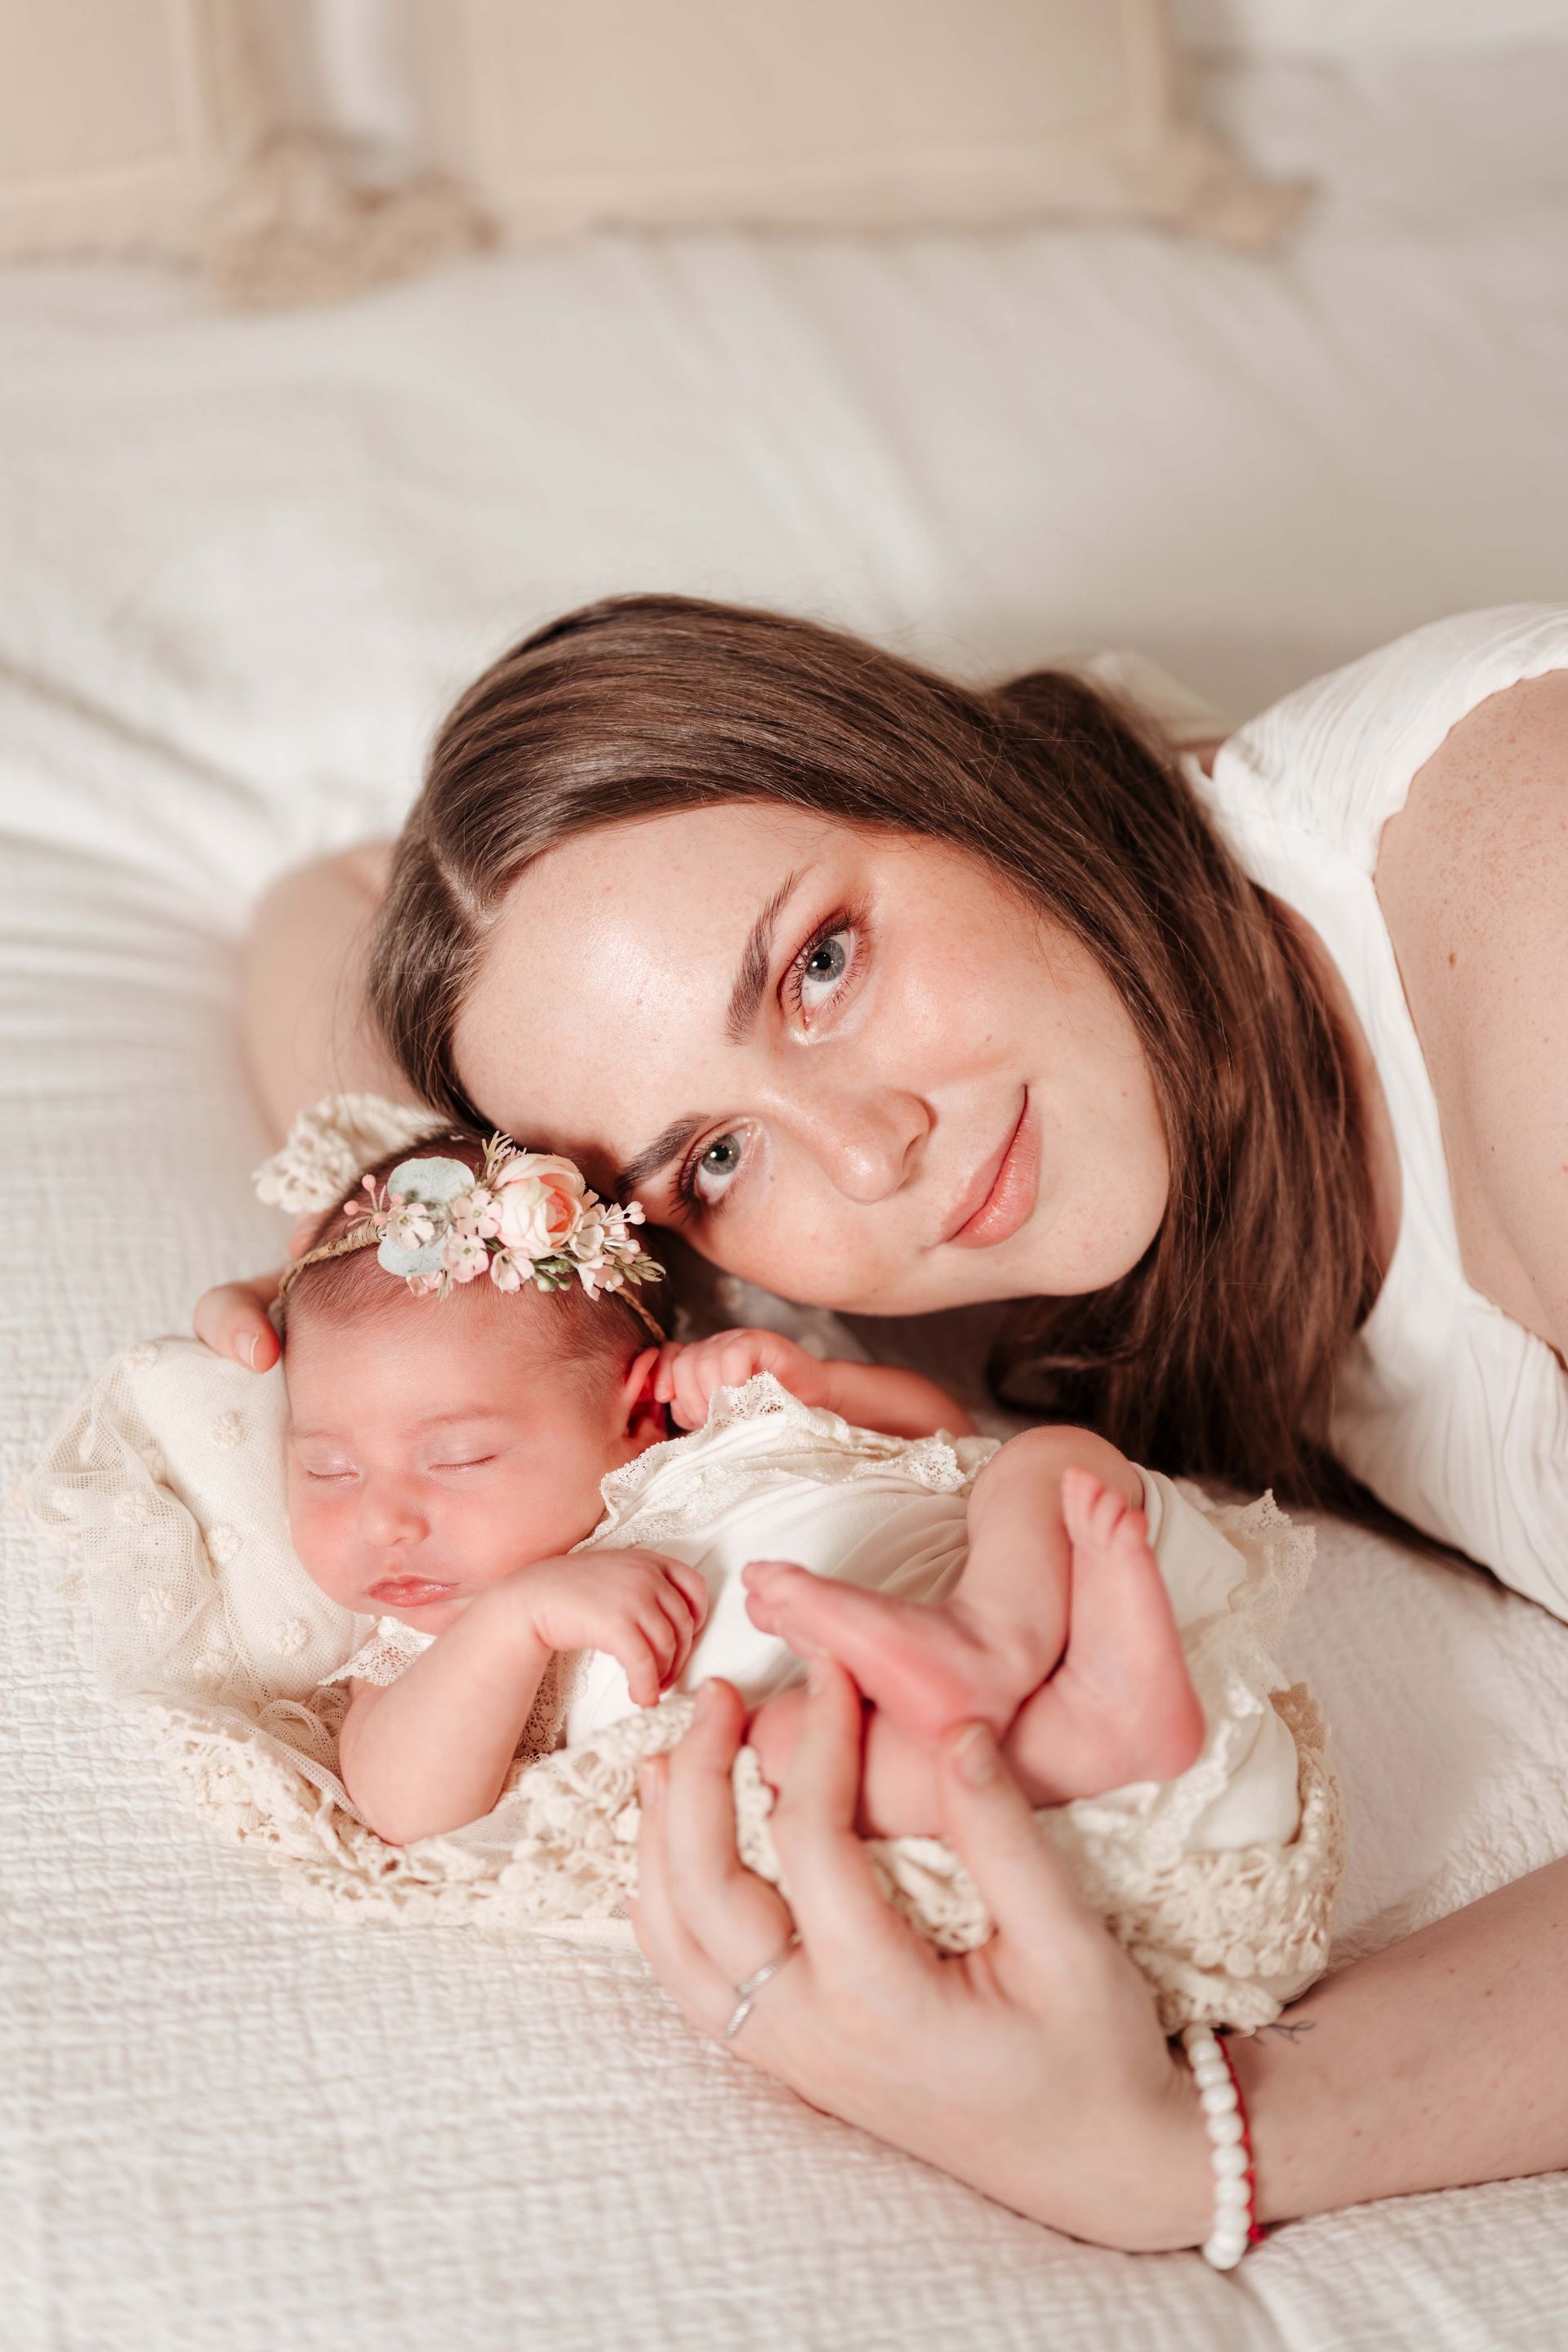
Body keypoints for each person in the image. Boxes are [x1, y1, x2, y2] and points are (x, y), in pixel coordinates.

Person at [202, 595, 1568, 2247]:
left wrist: (1205, 2142)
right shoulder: (993, 1184)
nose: (867, 1156)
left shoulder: (1532, 890)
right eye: (712, 1157)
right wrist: (402, 1272)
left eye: (823, 966)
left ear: (939, 770)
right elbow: (326, 905)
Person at [276, 1122, 1325, 2013]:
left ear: (636, 1414)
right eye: (323, 1469)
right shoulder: (436, 1627)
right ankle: (1069, 1740)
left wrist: (820, 1387)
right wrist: (516, 1622)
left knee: (1049, 1460)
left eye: (457, 1459)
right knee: (773, 1757)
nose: (385, 1521)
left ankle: (992, 1637)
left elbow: (944, 1444)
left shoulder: (719, 1424)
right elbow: (402, 1803)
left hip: (1026, 1595)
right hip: (864, 1729)